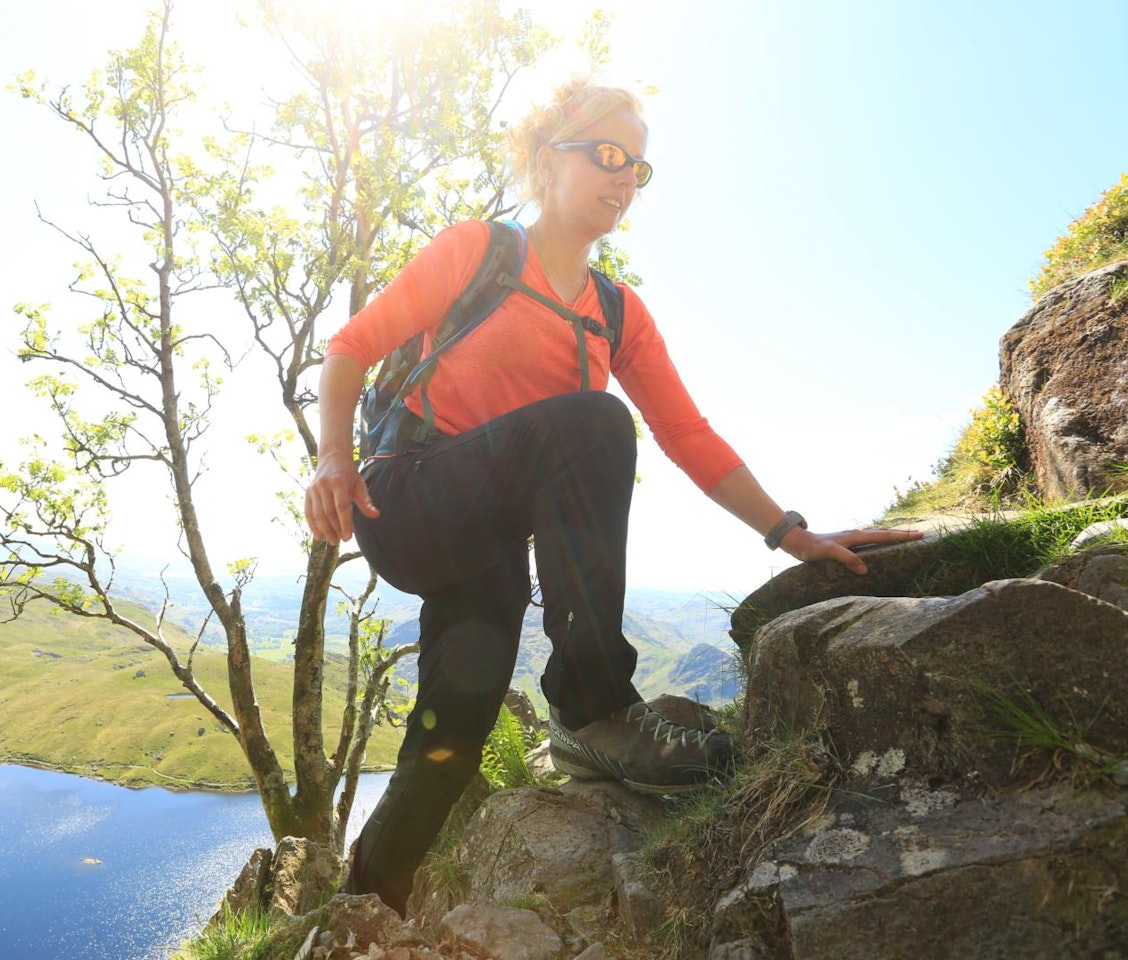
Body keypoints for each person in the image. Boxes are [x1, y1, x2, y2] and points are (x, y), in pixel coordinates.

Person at [304, 80, 921, 915]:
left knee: (453, 733)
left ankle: (364, 908)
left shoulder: (616, 312)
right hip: (405, 499)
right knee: (595, 422)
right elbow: (349, 349)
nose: (624, 177)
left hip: (484, 541)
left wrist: (790, 532)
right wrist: (331, 460)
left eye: (638, 166)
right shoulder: (477, 251)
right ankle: (595, 708)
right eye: (606, 154)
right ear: (544, 156)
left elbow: (689, 435)